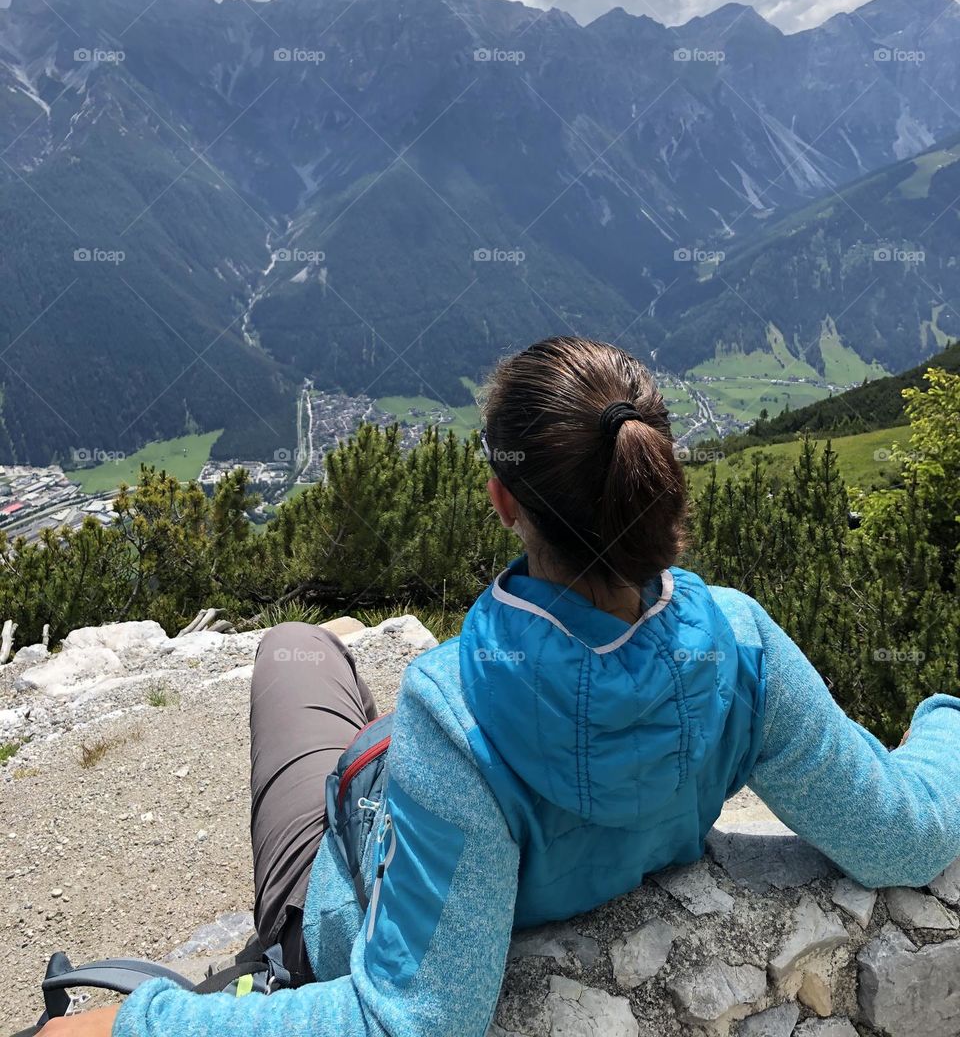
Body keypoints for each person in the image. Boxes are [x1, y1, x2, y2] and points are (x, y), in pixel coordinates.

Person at [47, 337, 960, 1037]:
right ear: (654, 483)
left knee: (296, 648)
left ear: (504, 501)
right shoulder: (744, 647)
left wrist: (133, 1021)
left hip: (336, 901)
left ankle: (277, 915)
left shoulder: (458, 707)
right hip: (441, 796)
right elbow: (905, 836)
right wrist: (946, 717)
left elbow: (412, 1016)